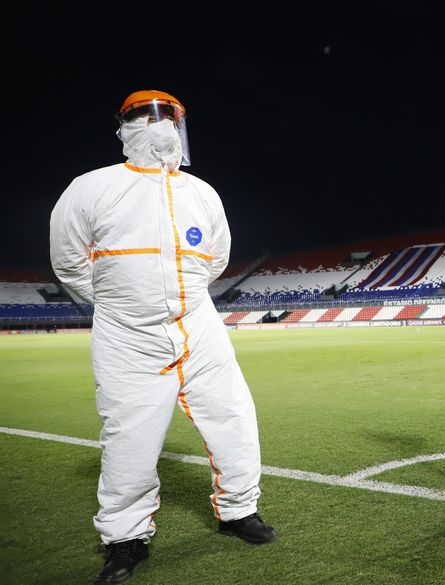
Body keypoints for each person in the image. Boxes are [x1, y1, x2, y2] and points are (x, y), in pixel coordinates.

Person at [49, 90, 276, 585]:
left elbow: (215, 259)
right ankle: (126, 539)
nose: (159, 126)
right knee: (130, 437)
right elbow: (67, 261)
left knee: (234, 418)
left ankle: (238, 511)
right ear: (124, 127)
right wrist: (120, 301)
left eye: (168, 117)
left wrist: (184, 296)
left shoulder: (201, 192)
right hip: (127, 334)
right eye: (144, 116)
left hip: (199, 325)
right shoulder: (90, 188)